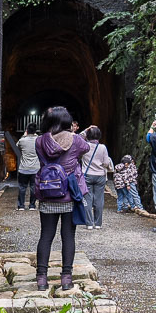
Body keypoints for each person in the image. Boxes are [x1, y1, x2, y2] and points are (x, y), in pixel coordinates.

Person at [34, 106, 91, 291]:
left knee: (46, 236)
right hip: (69, 196)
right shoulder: (75, 140)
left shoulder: (39, 141)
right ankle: (66, 278)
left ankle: (41, 278)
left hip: (47, 194)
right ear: (68, 123)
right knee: (68, 237)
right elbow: (86, 147)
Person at [80, 125, 114, 229]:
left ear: (88, 136)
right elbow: (105, 162)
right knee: (99, 199)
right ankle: (98, 224)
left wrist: (85, 130)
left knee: (87, 199)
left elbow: (77, 139)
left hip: (87, 175)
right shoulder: (103, 147)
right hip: (100, 176)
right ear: (99, 136)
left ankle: (89, 223)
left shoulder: (84, 146)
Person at [15, 124, 40, 210]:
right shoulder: (38, 140)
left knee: (22, 187)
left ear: (27, 130)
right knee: (34, 187)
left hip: (24, 168)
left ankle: (21, 205)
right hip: (35, 168)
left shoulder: (22, 140)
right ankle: (32, 205)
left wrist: (24, 135)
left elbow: (17, 145)